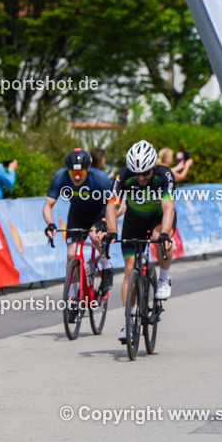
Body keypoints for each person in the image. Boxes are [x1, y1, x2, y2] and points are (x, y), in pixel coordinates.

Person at [102, 140, 176, 343]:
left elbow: (168, 207)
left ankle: (163, 278)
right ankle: (130, 320)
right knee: (129, 270)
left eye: (145, 173)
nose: (141, 178)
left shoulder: (164, 175)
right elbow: (111, 206)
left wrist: (165, 234)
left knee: (159, 240)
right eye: (137, 174)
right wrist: (112, 231)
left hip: (158, 218)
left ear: (153, 167)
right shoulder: (123, 175)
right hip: (134, 220)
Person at [42, 148, 114, 302]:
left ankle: (107, 267)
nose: (76, 177)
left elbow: (113, 204)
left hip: (99, 212)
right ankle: (73, 297)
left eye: (80, 173)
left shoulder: (100, 179)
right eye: (72, 173)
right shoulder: (60, 177)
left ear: (88, 169)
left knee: (95, 237)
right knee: (70, 254)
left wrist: (104, 222)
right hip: (77, 214)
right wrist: (50, 224)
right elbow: (48, 205)